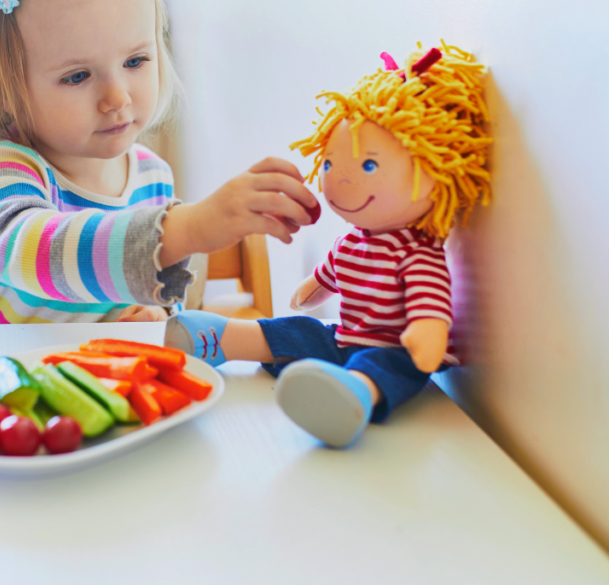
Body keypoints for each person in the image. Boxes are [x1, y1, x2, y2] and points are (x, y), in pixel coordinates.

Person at [0, 0, 318, 324]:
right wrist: (186, 228)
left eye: (135, 60)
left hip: (86, 377)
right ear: (5, 87)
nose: (117, 98)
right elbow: (34, 254)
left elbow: (147, 282)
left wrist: (153, 311)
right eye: (77, 76)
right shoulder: (3, 173)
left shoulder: (152, 176)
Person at [166, 43, 492, 447]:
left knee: (384, 365)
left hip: (393, 347)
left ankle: (351, 396)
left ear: (434, 171)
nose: (339, 180)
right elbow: (331, 274)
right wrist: (311, 290)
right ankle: (221, 338)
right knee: (301, 330)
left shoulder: (418, 254)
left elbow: (429, 307)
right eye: (331, 164)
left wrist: (427, 334)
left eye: (368, 165)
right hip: (342, 336)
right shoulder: (352, 241)